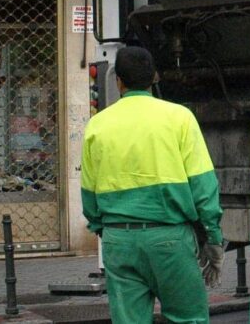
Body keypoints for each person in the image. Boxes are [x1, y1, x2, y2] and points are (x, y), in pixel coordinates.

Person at [81, 47, 223, 324]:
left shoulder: (97, 125)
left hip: (118, 239)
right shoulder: (179, 118)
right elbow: (203, 186)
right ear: (155, 78)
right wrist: (213, 237)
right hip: (170, 239)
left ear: (118, 81)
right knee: (188, 318)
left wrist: (105, 229)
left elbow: (89, 193)